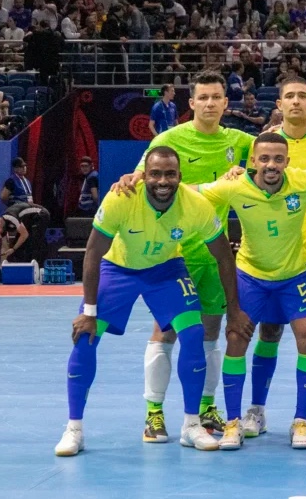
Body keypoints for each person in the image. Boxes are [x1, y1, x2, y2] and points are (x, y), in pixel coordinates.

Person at [54, 147, 246, 457]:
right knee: (84, 339)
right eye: (155, 173)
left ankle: (191, 425)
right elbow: (92, 252)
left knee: (195, 333)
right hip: (118, 270)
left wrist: (234, 309)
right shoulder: (121, 198)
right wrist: (89, 311)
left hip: (166, 270)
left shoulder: (195, 205)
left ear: (180, 177)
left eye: (170, 174)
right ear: (145, 174)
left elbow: (224, 255)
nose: (162, 180)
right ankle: (74, 429)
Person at [111, 72, 256, 442]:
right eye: (203, 97)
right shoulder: (169, 138)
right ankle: (154, 414)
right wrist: (128, 178)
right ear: (191, 103)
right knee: (167, 330)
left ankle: (206, 408)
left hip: (213, 252)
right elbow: (140, 177)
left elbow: (283, 147)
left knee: (209, 333)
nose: (209, 103)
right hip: (172, 254)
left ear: (227, 103)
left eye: (216, 97)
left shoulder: (239, 142)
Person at [195, 133, 306, 450]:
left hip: (296, 277)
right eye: (264, 158)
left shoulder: (304, 181)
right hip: (251, 277)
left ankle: (301, 421)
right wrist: (139, 179)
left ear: (287, 162)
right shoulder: (234, 186)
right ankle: (235, 422)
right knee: (236, 338)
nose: (271, 164)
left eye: (278, 159)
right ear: (252, 161)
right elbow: (191, 192)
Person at [240, 78, 306, 439]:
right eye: (289, 96)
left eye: (302, 96)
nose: (296, 102)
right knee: (268, 331)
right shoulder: (267, 144)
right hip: (268, 260)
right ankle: (256, 410)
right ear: (279, 104)